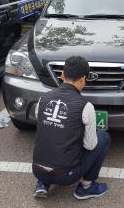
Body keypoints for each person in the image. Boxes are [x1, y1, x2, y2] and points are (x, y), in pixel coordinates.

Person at [32, 56, 111, 200]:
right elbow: (90, 145)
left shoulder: (43, 99)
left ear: (62, 75)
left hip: (37, 170)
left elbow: (44, 125)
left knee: (51, 134)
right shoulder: (85, 106)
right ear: (83, 80)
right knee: (103, 137)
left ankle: (43, 183)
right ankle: (86, 187)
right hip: (66, 176)